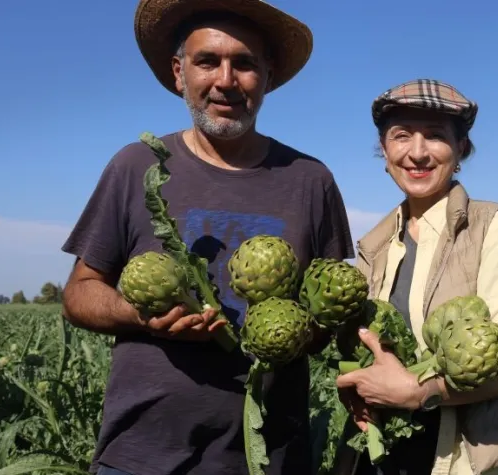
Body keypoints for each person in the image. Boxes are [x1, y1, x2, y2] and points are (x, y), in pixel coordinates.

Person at [60, 1, 353, 474]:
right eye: (207, 61)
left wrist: (289, 336)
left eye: (244, 63)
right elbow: (79, 293)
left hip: (271, 459)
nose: (225, 80)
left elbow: (334, 306)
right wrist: (140, 314)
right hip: (142, 457)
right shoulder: (136, 166)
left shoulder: (310, 180)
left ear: (268, 75)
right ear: (179, 73)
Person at [333, 79, 498, 475]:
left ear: (460, 148)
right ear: (384, 149)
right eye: (401, 136)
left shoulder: (495, 228)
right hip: (393, 454)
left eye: (435, 136)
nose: (417, 153)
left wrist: (419, 393)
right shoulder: (375, 246)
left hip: (471, 458)